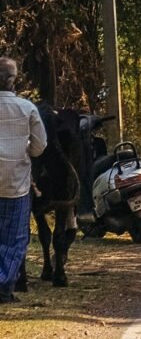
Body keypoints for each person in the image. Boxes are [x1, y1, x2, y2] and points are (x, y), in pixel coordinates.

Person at [0, 57, 46, 304]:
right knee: (15, 239)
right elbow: (39, 147)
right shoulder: (27, 108)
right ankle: (3, 287)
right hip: (15, 185)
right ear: (13, 79)